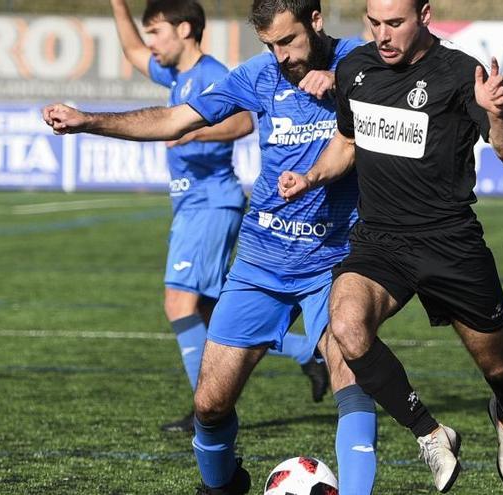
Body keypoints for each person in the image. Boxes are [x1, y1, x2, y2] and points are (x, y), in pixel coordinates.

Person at [44, 1, 377, 493]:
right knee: (210, 403)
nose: (281, 56)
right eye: (270, 46)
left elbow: (408, 79)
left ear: (316, 21)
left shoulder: (362, 60)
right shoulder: (257, 74)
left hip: (337, 260)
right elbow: (174, 119)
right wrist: (87, 120)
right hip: (262, 259)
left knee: (352, 380)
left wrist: (344, 77)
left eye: (287, 41)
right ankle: (221, 487)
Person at [279, 0, 503, 491]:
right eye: (374, 23)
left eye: (395, 23)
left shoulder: (460, 74)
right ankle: (432, 434)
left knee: (498, 365)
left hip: (450, 241)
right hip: (381, 240)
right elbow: (347, 143)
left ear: (425, 15)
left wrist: (498, 115)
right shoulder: (354, 69)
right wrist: (310, 177)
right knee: (346, 327)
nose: (383, 34)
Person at [108, 0, 329, 434]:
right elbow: (133, 51)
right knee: (213, 314)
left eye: (156, 32)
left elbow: (244, 122)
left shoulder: (210, 74)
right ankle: (306, 352)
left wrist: (195, 128)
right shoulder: (175, 73)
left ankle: (203, 413)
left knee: (178, 302)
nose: (149, 42)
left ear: (185, 29)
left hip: (211, 202)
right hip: (193, 203)